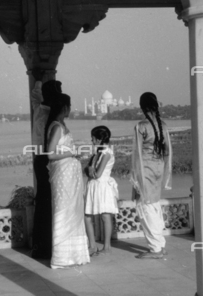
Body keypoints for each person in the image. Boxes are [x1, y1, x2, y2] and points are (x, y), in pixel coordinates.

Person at [45, 92, 90, 268]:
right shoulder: (57, 127)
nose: (70, 110)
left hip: (70, 177)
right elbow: (50, 153)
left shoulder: (62, 125)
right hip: (63, 177)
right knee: (64, 211)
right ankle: (62, 257)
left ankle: (74, 255)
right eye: (69, 107)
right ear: (64, 107)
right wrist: (72, 153)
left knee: (72, 211)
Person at [130, 92, 172, 259]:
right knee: (153, 204)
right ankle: (160, 244)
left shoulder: (141, 126)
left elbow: (136, 154)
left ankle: (155, 248)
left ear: (142, 107)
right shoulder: (164, 125)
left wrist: (135, 176)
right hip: (158, 168)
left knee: (145, 207)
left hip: (145, 169)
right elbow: (167, 151)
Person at [30, 68, 62, 259]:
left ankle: (41, 246)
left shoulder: (39, 110)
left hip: (40, 161)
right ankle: (48, 246)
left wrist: (39, 80)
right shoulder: (51, 118)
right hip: (47, 162)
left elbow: (35, 96)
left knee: (43, 203)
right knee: (49, 204)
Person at [84, 126, 119, 256]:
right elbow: (88, 170)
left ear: (99, 139)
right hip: (93, 186)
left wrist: (90, 171)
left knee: (105, 216)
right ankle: (92, 246)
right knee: (87, 216)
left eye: (93, 138)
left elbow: (97, 174)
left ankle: (107, 246)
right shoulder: (97, 152)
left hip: (102, 186)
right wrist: (89, 170)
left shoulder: (106, 153)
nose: (91, 140)